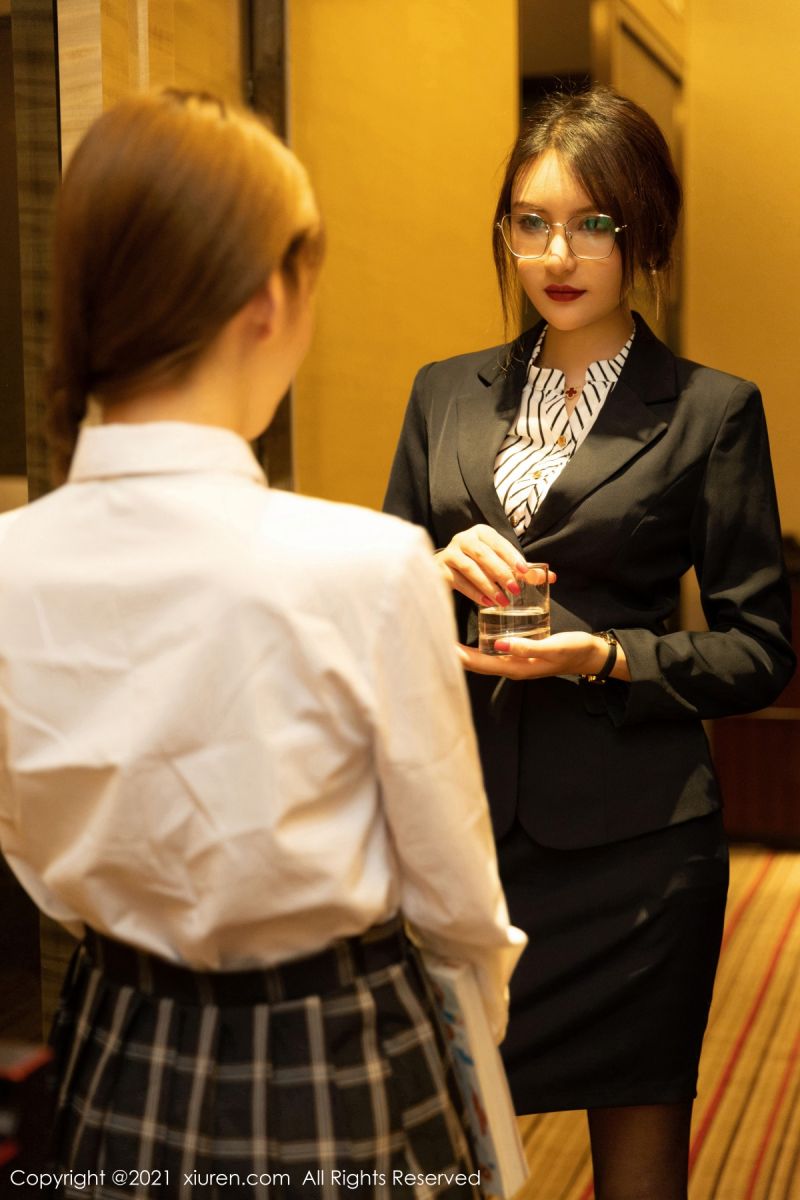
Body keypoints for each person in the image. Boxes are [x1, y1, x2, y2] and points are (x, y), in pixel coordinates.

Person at [0, 90, 525, 1199]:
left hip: (113, 1044)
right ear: (266, 298)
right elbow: (454, 902)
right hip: (337, 1052)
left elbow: (31, 852)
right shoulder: (366, 566)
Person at [384, 85, 795, 1200]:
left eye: (590, 224)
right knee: (438, 1143)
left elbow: (760, 648)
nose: (556, 255)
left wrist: (607, 657)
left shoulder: (710, 412)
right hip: (462, 835)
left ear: (642, 232)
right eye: (531, 222)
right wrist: (430, 567)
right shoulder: (442, 396)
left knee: (637, 1161)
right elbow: (375, 604)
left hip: (637, 854)